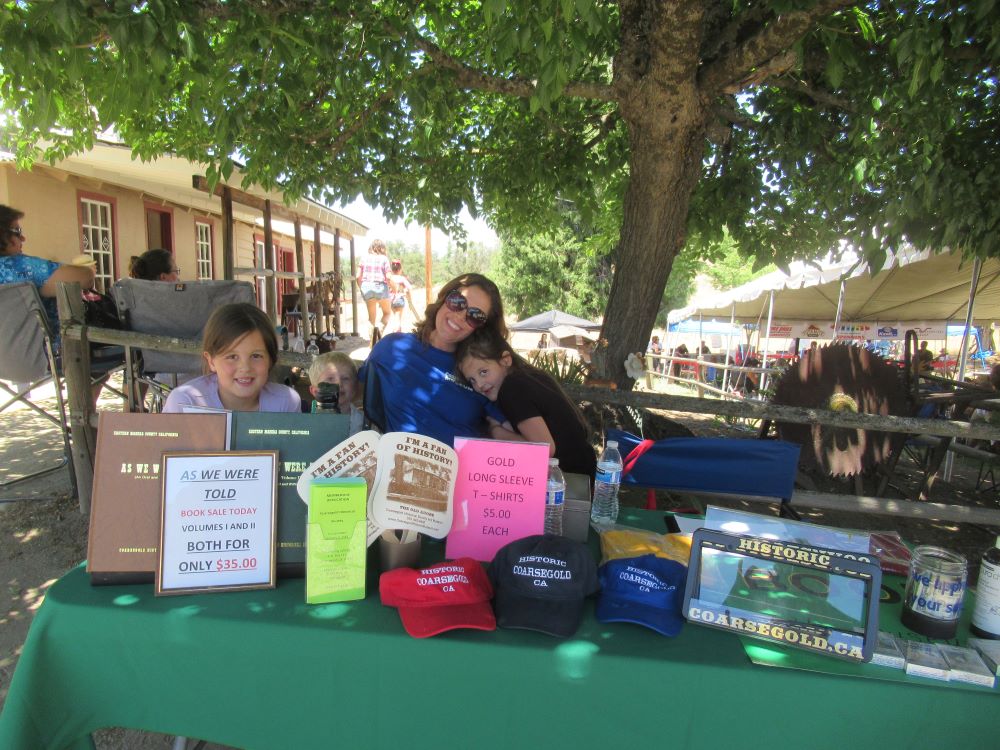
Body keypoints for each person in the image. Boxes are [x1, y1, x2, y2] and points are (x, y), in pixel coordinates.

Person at [358, 273, 505, 445]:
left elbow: (506, 427)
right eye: (457, 302)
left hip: (464, 468)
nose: (460, 316)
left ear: (482, 328)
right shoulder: (391, 349)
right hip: (401, 466)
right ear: (444, 299)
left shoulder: (481, 371)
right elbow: (357, 390)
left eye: (475, 316)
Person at [457, 329, 597, 479]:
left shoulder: (511, 389)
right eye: (472, 380)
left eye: (483, 372)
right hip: (583, 472)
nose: (479, 385)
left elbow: (544, 449)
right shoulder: (530, 376)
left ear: (505, 360)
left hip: (568, 481)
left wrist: (497, 433)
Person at [163, 303, 301, 412]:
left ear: (271, 359)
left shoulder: (286, 403)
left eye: (256, 356)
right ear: (211, 361)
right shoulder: (185, 403)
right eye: (232, 356)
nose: (245, 368)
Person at [0, 204, 96, 337]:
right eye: (18, 231)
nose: (23, 238)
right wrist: (87, 269)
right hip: (45, 355)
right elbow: (86, 278)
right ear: (2, 234)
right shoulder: (19, 267)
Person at [308, 351, 363, 433]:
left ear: (355, 387)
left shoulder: (365, 423)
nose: (339, 384)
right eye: (330, 379)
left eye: (345, 378)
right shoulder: (307, 424)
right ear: (315, 391)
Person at [355, 238, 391, 337]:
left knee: (371, 318)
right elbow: (388, 277)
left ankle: (372, 342)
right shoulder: (384, 259)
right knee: (387, 313)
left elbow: (358, 276)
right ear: (382, 248)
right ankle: (379, 330)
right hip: (380, 287)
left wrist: (362, 287)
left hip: (366, 287)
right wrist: (392, 287)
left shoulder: (363, 258)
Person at [386, 258, 413, 334]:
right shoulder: (402, 278)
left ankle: (397, 331)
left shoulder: (390, 279)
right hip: (399, 299)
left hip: (391, 300)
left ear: (391, 269)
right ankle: (397, 331)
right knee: (398, 317)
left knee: (396, 316)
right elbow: (409, 288)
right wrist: (410, 301)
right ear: (400, 269)